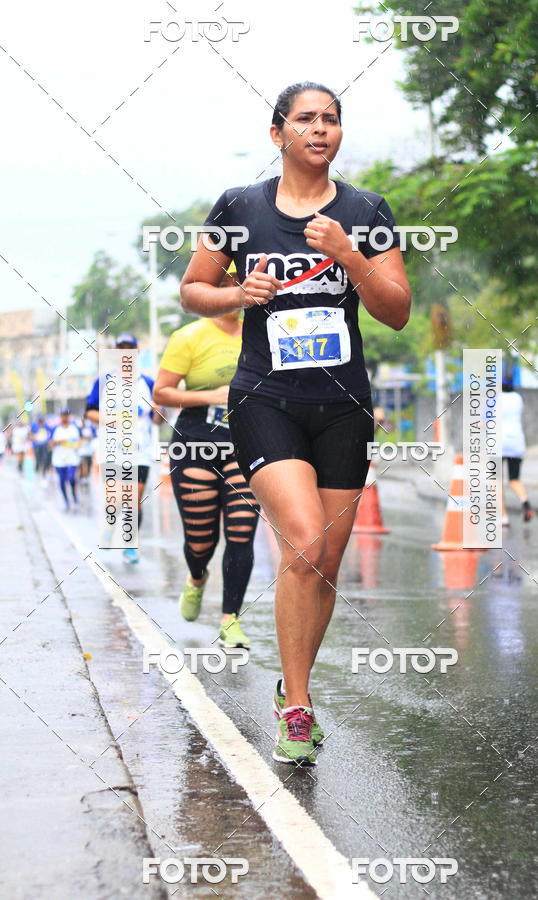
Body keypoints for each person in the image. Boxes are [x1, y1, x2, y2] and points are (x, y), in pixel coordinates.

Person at [179, 82, 411, 765]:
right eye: (306, 119)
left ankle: (291, 688)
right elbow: (193, 288)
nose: (320, 130)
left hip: (343, 407)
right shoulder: (239, 207)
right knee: (305, 543)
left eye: (331, 120)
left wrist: (349, 253)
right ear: (277, 132)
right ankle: (302, 704)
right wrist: (235, 292)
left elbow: (396, 309)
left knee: (326, 563)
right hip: (264, 400)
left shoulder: (366, 213)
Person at [153, 262, 260, 650]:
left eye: (239, 281)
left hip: (247, 440)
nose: (234, 289)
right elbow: (162, 393)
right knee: (201, 540)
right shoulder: (188, 336)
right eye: (225, 282)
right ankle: (196, 576)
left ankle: (231, 618)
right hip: (196, 439)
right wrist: (213, 396)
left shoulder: (260, 332)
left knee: (242, 531)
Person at [85, 333, 163, 563]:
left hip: (140, 451)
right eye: (121, 348)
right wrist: (110, 417)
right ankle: (110, 528)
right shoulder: (104, 381)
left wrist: (159, 413)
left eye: (130, 348)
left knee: (134, 499)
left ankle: (130, 545)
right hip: (112, 449)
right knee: (115, 499)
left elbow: (158, 418)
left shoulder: (148, 383)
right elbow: (89, 411)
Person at [501, 376, 533, 525]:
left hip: (498, 444)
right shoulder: (518, 398)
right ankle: (525, 502)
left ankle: (503, 517)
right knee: (514, 480)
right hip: (516, 442)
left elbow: (483, 421)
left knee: (495, 481)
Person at [49, 408, 80, 511]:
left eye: (66, 415)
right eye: (62, 415)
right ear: (60, 416)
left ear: (69, 416)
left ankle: (74, 494)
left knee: (71, 478)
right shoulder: (55, 429)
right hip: (59, 460)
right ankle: (66, 500)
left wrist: (76, 445)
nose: (64, 417)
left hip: (72, 459)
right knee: (62, 481)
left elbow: (80, 441)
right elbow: (49, 444)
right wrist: (58, 441)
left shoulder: (74, 428)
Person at [78, 416, 97, 484]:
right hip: (81, 450)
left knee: (89, 464)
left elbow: (95, 435)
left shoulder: (90, 428)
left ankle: (87, 476)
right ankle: (82, 477)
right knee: (83, 464)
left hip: (89, 450)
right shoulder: (79, 428)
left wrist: (89, 437)